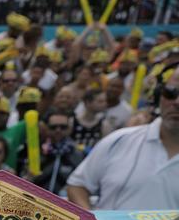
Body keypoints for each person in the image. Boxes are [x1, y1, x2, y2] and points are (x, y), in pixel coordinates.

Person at [66, 72, 179, 210]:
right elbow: (77, 185)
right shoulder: (118, 140)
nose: (177, 102)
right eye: (171, 93)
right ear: (159, 97)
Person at [31, 110, 83, 195]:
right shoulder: (36, 151)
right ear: (46, 128)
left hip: (65, 203)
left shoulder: (78, 154)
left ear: (69, 129)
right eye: (53, 127)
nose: (58, 130)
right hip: (38, 201)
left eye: (63, 127)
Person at [72, 88, 108, 154]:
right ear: (88, 102)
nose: (104, 104)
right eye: (100, 101)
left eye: (105, 101)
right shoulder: (73, 121)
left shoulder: (103, 125)